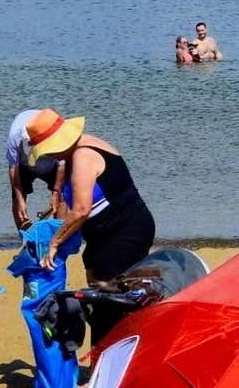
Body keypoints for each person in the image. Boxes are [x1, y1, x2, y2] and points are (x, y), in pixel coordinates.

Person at [27, 109, 156, 345]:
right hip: (102, 236)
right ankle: (111, 355)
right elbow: (72, 205)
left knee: (109, 298)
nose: (51, 157)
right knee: (99, 292)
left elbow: (81, 210)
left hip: (126, 231)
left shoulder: (84, 156)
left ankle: (105, 364)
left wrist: (55, 243)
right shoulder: (76, 151)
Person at [7, 110, 68, 231]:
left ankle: (59, 236)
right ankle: (25, 235)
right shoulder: (15, 135)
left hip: (52, 164)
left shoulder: (59, 132)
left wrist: (56, 192)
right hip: (24, 165)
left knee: (62, 197)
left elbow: (63, 164)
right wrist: (20, 199)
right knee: (17, 198)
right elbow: (13, 168)